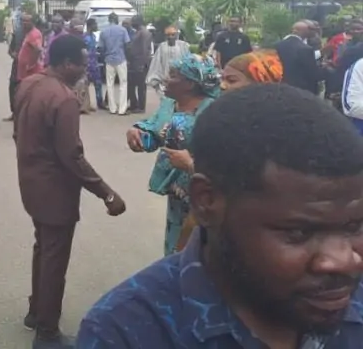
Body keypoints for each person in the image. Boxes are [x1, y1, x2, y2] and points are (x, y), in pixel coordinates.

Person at [79, 84, 363, 349]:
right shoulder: (127, 331)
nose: (345, 260)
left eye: (355, 226)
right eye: (299, 233)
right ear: (206, 202)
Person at [14, 34, 126, 349]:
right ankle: (47, 332)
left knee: (43, 249)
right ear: (66, 64)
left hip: (31, 183)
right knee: (54, 260)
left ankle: (36, 312)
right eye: (82, 64)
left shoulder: (28, 84)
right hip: (55, 191)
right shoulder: (63, 99)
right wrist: (106, 193)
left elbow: (19, 133)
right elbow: (72, 156)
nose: (85, 69)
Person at [126, 54, 220, 256]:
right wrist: (138, 133)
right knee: (175, 242)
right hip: (176, 192)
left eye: (173, 75)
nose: (166, 79)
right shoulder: (169, 104)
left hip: (204, 192)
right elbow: (156, 130)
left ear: (190, 84)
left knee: (201, 246)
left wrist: (190, 164)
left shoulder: (214, 110)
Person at [274, 20, 320, 94]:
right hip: (301, 91)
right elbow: (312, 74)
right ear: (305, 32)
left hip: (280, 88)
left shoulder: (276, 46)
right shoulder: (306, 49)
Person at [98, 13, 131, 115]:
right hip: (121, 59)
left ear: (109, 20)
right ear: (117, 20)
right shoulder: (123, 30)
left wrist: (105, 56)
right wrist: (127, 58)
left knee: (109, 84)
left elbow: (101, 48)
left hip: (109, 60)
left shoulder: (103, 31)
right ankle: (122, 109)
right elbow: (127, 45)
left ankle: (112, 108)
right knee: (123, 83)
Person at [146, 25, 190, 96]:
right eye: (168, 35)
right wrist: (155, 79)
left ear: (176, 35)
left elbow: (188, 62)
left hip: (180, 81)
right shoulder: (162, 47)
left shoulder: (183, 46)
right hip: (165, 82)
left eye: (173, 35)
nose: (170, 37)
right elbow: (156, 63)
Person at [126, 15, 152, 113]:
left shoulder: (145, 33)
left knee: (141, 87)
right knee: (131, 85)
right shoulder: (138, 32)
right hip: (134, 62)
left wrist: (143, 63)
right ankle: (134, 104)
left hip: (140, 63)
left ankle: (141, 107)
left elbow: (145, 49)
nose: (131, 23)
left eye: (133, 21)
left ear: (138, 22)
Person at [17, 13, 44, 85]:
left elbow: (37, 49)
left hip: (31, 73)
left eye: (27, 21)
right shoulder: (28, 33)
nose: (24, 23)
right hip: (25, 74)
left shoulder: (34, 34)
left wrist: (31, 65)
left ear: (32, 22)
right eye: (23, 21)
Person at [83, 18, 104, 110]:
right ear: (90, 26)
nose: (97, 26)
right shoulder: (85, 37)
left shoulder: (93, 36)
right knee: (85, 85)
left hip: (94, 64)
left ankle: (100, 102)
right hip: (87, 64)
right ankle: (85, 104)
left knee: (98, 84)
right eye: (95, 24)